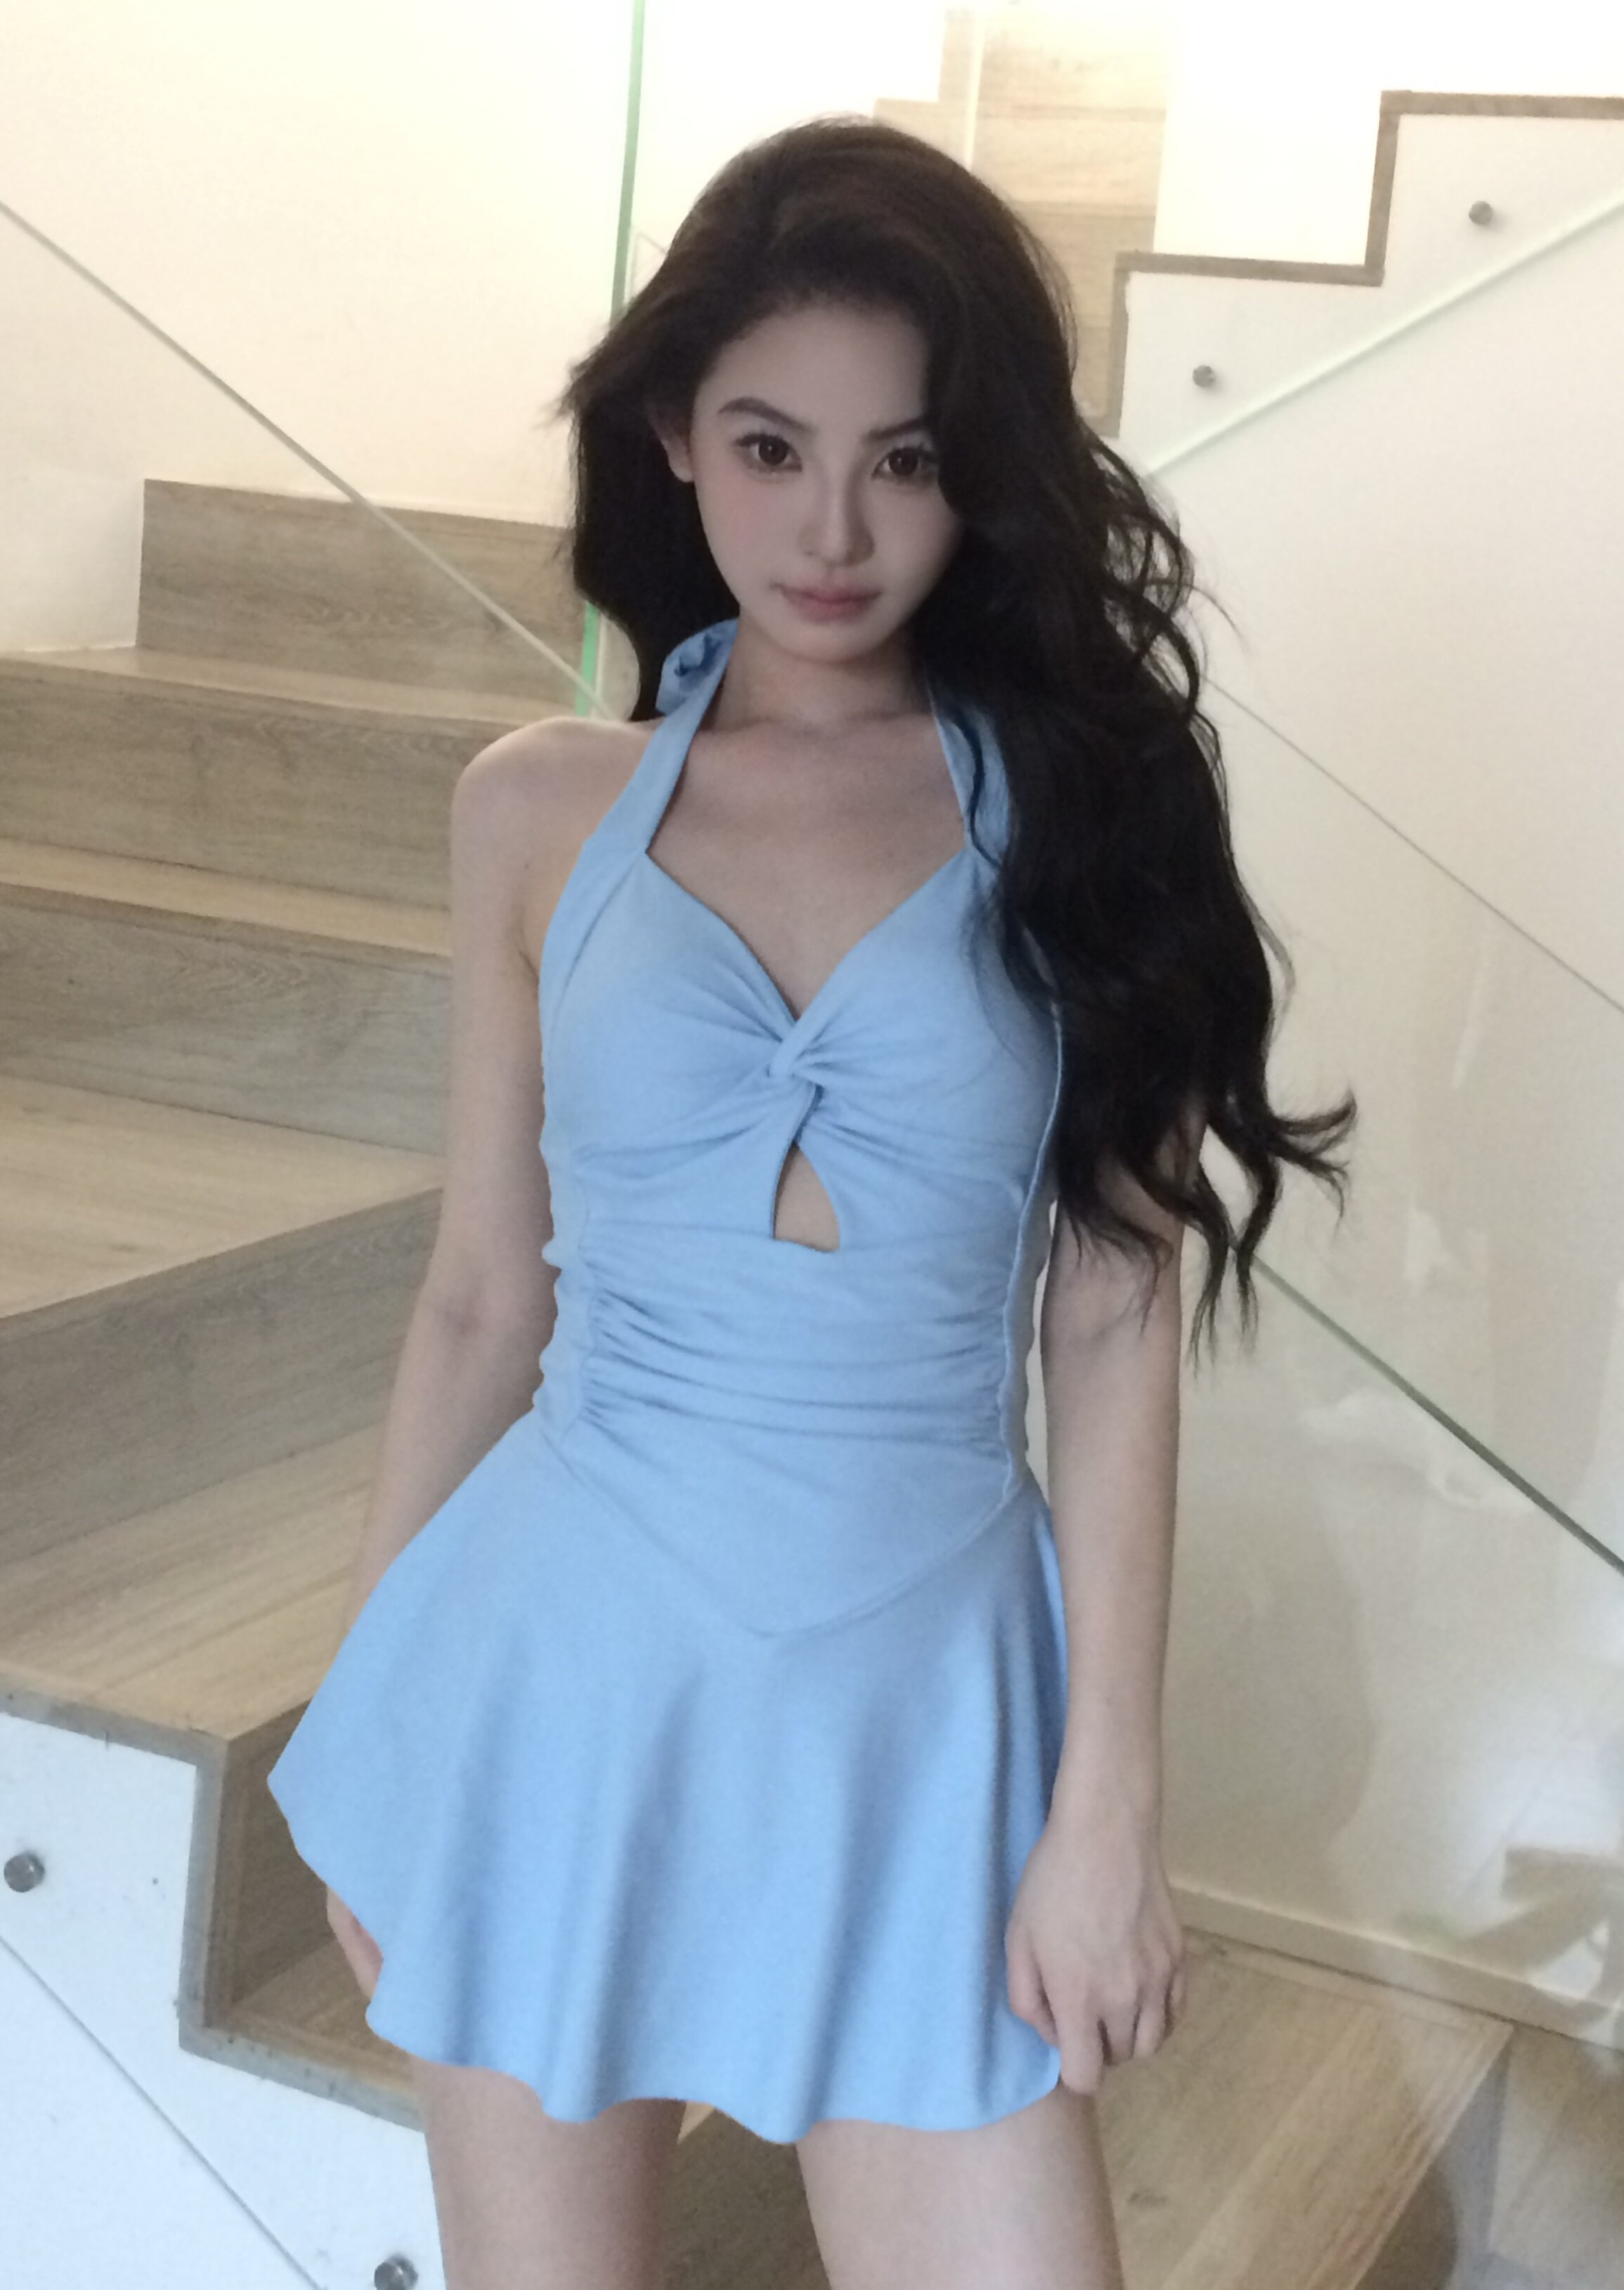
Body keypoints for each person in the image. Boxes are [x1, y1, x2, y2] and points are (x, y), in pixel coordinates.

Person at [267, 115, 1355, 2290]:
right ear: (675, 433)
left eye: (905, 460)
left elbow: (1115, 1312)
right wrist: (373, 1714)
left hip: (924, 1690)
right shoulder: (534, 809)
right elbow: (482, 1293)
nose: (833, 530)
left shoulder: (1091, 806)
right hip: (559, 1666)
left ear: (983, 472)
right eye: (771, 448)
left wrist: (1110, 1806)